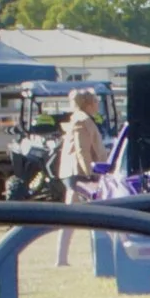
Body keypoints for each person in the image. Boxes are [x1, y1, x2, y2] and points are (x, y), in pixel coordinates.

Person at [53, 88, 107, 266]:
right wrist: (90, 173)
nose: (98, 104)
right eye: (96, 101)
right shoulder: (82, 120)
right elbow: (82, 150)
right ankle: (63, 259)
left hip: (77, 173)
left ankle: (61, 259)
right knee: (83, 216)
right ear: (89, 103)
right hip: (79, 173)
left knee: (71, 217)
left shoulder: (81, 119)